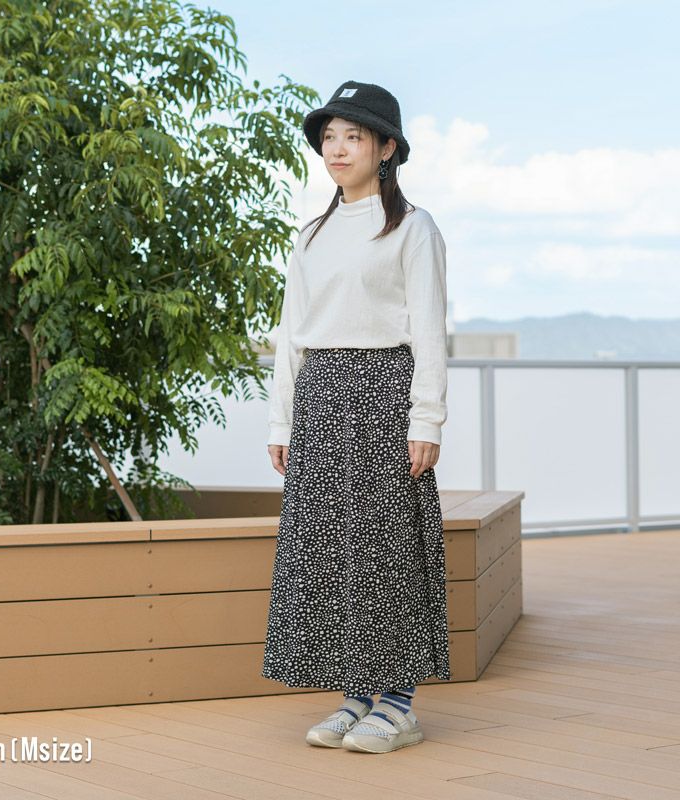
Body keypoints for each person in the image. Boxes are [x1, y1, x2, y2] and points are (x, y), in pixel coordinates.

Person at [261, 80, 451, 755]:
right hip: (319, 395)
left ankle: (398, 705)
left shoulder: (413, 228)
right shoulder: (311, 235)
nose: (336, 150)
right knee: (328, 549)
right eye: (329, 138)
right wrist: (281, 423)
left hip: (385, 392)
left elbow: (429, 329)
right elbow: (291, 335)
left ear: (386, 148)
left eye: (353, 137)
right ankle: (355, 695)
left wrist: (427, 419)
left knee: (386, 548)